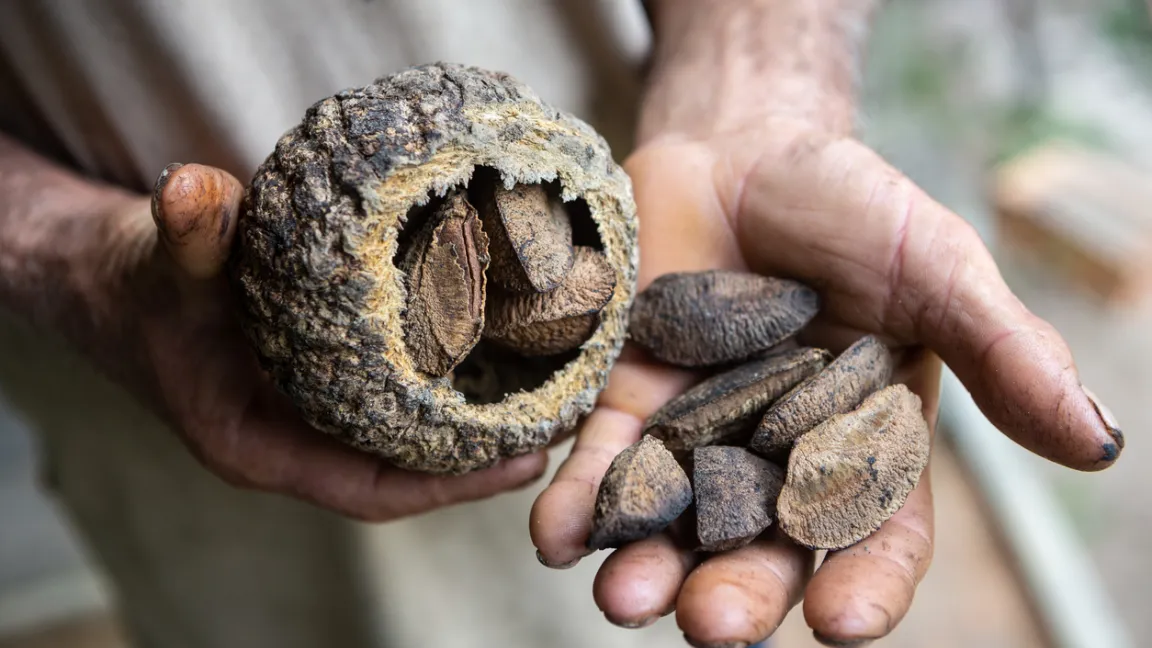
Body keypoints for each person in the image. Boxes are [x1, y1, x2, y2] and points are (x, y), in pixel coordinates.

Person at [0, 1, 1124, 647]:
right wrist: (61, 256)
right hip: (150, 372)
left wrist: (752, 81)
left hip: (665, 212)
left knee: (663, 589)